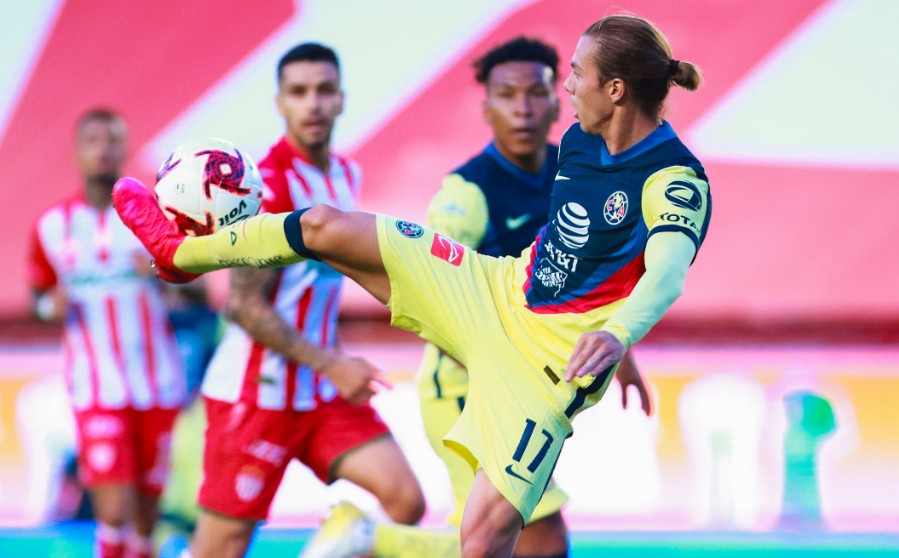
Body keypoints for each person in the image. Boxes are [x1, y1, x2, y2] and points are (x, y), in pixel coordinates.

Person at [114, 14, 710, 558]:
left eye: (575, 74)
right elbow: (586, 255)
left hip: (543, 373)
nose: (564, 89)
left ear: (615, 89)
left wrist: (617, 335)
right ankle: (180, 254)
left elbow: (665, 271)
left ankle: (375, 541)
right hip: (491, 290)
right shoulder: (578, 143)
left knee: (488, 543)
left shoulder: (674, 177)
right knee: (323, 224)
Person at [301, 36, 651, 558]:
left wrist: (621, 350)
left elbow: (597, 279)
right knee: (525, 543)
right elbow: (433, 292)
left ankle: (374, 539)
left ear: (559, 99)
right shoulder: (466, 194)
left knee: (521, 543)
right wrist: (498, 368)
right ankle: (375, 539)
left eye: (536, 93)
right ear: (486, 106)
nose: (524, 108)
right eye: (508, 95)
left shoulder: (580, 175)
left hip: (525, 391)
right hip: (467, 388)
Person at [179, 43, 425, 558]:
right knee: (217, 551)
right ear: (280, 103)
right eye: (299, 92)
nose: (312, 103)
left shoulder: (344, 175)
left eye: (323, 90)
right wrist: (331, 362)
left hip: (317, 392)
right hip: (255, 396)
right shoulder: (266, 186)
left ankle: (335, 544)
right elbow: (243, 306)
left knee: (405, 502)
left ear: (341, 100)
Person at [27, 108, 187, 558]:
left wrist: (165, 272)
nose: (103, 148)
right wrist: (49, 306)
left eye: (112, 139)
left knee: (144, 518)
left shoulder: (156, 218)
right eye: (93, 139)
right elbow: (38, 295)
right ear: (78, 151)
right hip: (97, 388)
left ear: (125, 148)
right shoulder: (52, 227)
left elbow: (196, 296)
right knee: (114, 511)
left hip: (158, 385)